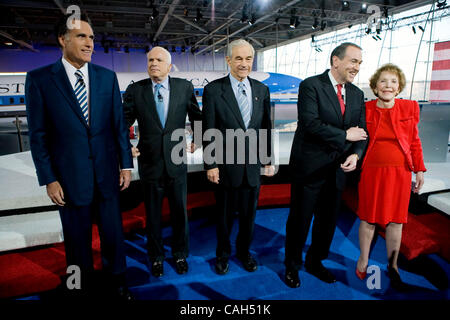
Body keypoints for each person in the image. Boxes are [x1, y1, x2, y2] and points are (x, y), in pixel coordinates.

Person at [25, 14, 134, 299]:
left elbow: (118, 127)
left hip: (107, 174)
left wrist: (126, 165)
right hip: (69, 179)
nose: (89, 43)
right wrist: (49, 178)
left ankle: (118, 285)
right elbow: (38, 136)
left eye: (92, 38)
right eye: (82, 36)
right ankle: (79, 288)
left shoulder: (106, 78)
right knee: (76, 242)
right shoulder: (40, 80)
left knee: (113, 237)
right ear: (63, 39)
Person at [284, 42, 368, 288]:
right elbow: (310, 123)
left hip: (338, 170)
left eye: (360, 63)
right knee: (300, 220)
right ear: (335, 61)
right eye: (353, 61)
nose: (357, 67)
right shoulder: (311, 85)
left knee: (327, 222)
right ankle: (292, 265)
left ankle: (315, 261)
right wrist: (344, 136)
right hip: (308, 169)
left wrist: (356, 155)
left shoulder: (356, 94)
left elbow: (362, 132)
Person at [123, 47, 202, 278]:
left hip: (177, 161)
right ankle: (155, 257)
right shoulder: (136, 90)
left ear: (169, 66)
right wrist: (126, 146)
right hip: (149, 163)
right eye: (150, 60)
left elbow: (198, 117)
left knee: (180, 213)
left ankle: (180, 254)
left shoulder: (184, 87)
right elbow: (122, 122)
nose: (154, 63)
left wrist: (197, 139)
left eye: (159, 60)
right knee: (153, 215)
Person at [202, 39, 274, 275]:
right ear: (228, 60)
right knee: (223, 217)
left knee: (248, 216)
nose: (244, 64)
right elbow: (208, 129)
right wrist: (210, 163)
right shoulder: (214, 90)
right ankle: (222, 255)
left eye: (248, 59)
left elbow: (265, 127)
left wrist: (267, 158)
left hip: (252, 166)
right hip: (224, 166)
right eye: (239, 58)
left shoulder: (262, 90)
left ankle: (244, 252)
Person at [356, 64, 426, 289]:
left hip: (400, 173)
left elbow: (415, 141)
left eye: (393, 82)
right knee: (368, 219)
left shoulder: (410, 108)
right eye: (383, 81)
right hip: (372, 172)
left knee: (396, 222)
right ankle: (364, 259)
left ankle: (392, 265)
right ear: (376, 87)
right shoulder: (364, 108)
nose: (388, 85)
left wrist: (419, 169)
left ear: (399, 87)